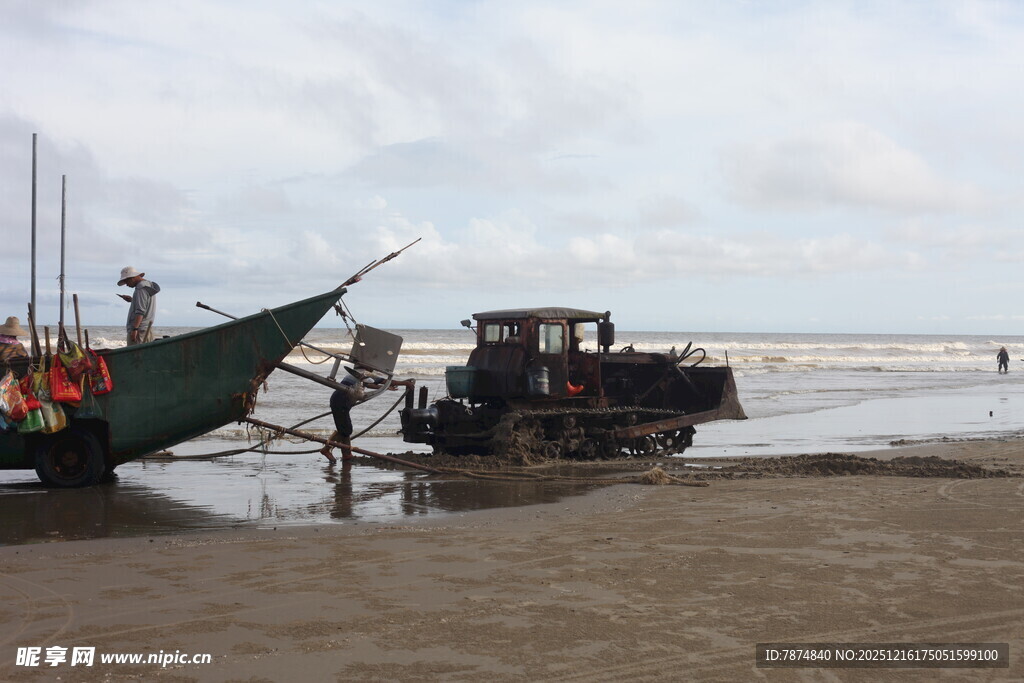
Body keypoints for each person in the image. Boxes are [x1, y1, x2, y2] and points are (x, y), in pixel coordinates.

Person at [320, 369, 412, 463]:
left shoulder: (357, 373)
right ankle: (327, 449)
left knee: (344, 427)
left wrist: (385, 387)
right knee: (346, 429)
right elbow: (386, 381)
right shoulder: (364, 373)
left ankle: (346, 454)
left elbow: (368, 384)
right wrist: (405, 383)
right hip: (341, 400)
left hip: (341, 400)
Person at [117, 266, 161, 345]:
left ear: (132, 278)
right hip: (146, 329)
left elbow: (140, 311)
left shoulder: (140, 288)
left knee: (135, 355)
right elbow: (145, 304)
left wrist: (135, 329)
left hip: (139, 331)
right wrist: (133, 300)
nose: (126, 285)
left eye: (126, 281)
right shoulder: (148, 285)